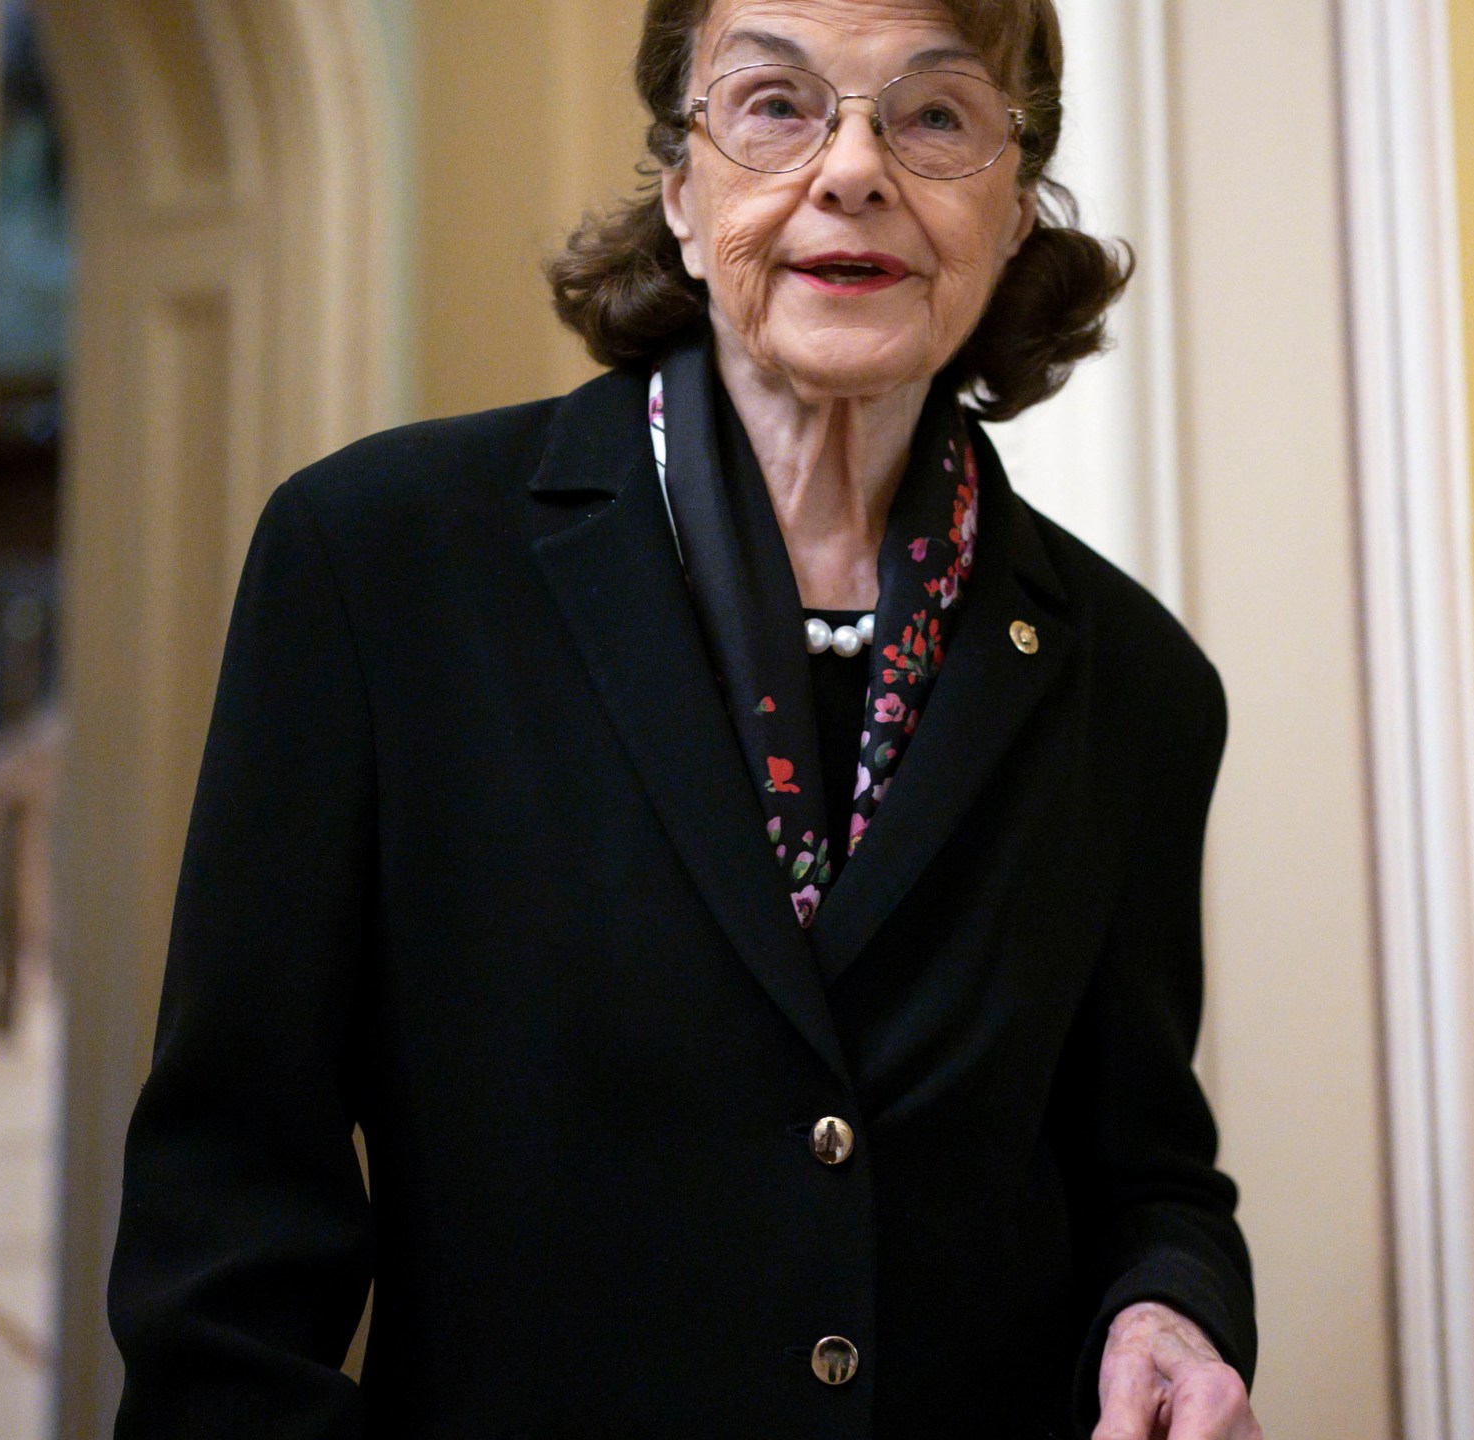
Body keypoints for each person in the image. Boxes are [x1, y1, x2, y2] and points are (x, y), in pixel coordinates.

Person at [105, 2, 1262, 1436]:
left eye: (937, 114)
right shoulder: (378, 567)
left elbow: (1142, 1167)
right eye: (776, 105)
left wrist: (1168, 1306)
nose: (853, 170)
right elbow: (227, 1213)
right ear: (677, 179)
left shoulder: (1137, 685)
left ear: (1016, 207)